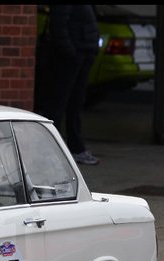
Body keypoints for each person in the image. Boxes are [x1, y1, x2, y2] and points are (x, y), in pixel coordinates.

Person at [41, 5, 101, 165]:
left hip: (84, 53)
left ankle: (75, 148)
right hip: (71, 56)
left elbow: (92, 22)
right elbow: (58, 25)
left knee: (77, 102)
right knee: (58, 102)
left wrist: (93, 49)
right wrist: (70, 52)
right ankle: (51, 149)